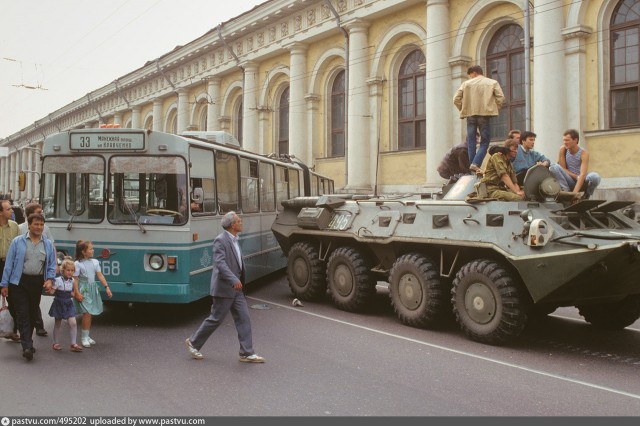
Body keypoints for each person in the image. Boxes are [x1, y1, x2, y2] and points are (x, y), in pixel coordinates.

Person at [185, 211, 265, 363]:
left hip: (237, 289)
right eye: (239, 221)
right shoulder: (220, 241)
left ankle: (246, 353)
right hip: (224, 288)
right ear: (232, 225)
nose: (241, 223)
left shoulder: (235, 239)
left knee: (244, 318)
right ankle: (193, 343)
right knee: (215, 319)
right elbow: (220, 264)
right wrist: (233, 278)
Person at [0, 213, 56, 361]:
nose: (39, 227)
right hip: (18, 282)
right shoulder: (18, 242)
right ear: (29, 225)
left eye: (41, 225)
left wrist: (50, 279)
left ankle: (28, 342)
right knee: (23, 313)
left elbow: (51, 265)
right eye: (36, 224)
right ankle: (26, 346)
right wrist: (4, 284)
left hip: (36, 282)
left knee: (31, 313)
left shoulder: (47, 244)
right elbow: (9, 264)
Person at [453, 65, 505, 173]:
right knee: (485, 142)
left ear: (474, 73)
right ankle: (475, 164)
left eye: (470, 75)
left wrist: (463, 109)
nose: (471, 78)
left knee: (471, 142)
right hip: (485, 116)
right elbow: (501, 98)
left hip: (470, 116)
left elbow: (456, 99)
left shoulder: (466, 84)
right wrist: (494, 109)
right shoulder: (492, 83)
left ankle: (473, 167)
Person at [18, 202, 54, 337]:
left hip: (37, 275)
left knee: (33, 305)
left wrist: (53, 268)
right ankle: (26, 336)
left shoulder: (46, 230)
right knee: (22, 308)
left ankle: (35, 328)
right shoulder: (19, 230)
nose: (41, 215)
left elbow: (51, 248)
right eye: (39, 212)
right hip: (21, 276)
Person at [73, 240, 112, 348]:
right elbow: (75, 280)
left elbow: (100, 276)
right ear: (83, 252)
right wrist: (76, 292)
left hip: (92, 289)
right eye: (90, 249)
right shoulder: (77, 264)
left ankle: (87, 335)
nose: (93, 250)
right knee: (86, 313)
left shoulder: (95, 262)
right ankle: (84, 338)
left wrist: (107, 287)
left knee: (89, 313)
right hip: (83, 289)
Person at [549, 129, 601, 199]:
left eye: (567, 140)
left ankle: (587, 195)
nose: (565, 142)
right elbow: (562, 169)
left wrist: (575, 193)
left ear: (575, 140)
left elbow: (582, 175)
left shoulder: (583, 153)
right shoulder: (563, 149)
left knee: (595, 177)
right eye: (564, 140)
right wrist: (575, 177)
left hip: (582, 181)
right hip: (569, 180)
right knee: (553, 167)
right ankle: (566, 192)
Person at [48, 257, 82, 352]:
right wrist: (50, 289)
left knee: (73, 323)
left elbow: (71, 293)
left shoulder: (73, 281)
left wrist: (78, 295)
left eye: (72, 270)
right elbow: (52, 291)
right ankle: (55, 342)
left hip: (68, 303)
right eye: (68, 270)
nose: (70, 272)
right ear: (63, 270)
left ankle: (73, 344)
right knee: (57, 323)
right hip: (59, 302)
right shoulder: (58, 280)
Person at [0, 200, 20, 342]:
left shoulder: (14, 226)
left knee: (13, 298)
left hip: (10, 265)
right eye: (8, 209)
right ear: (1, 212)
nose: (11, 211)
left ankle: (13, 331)